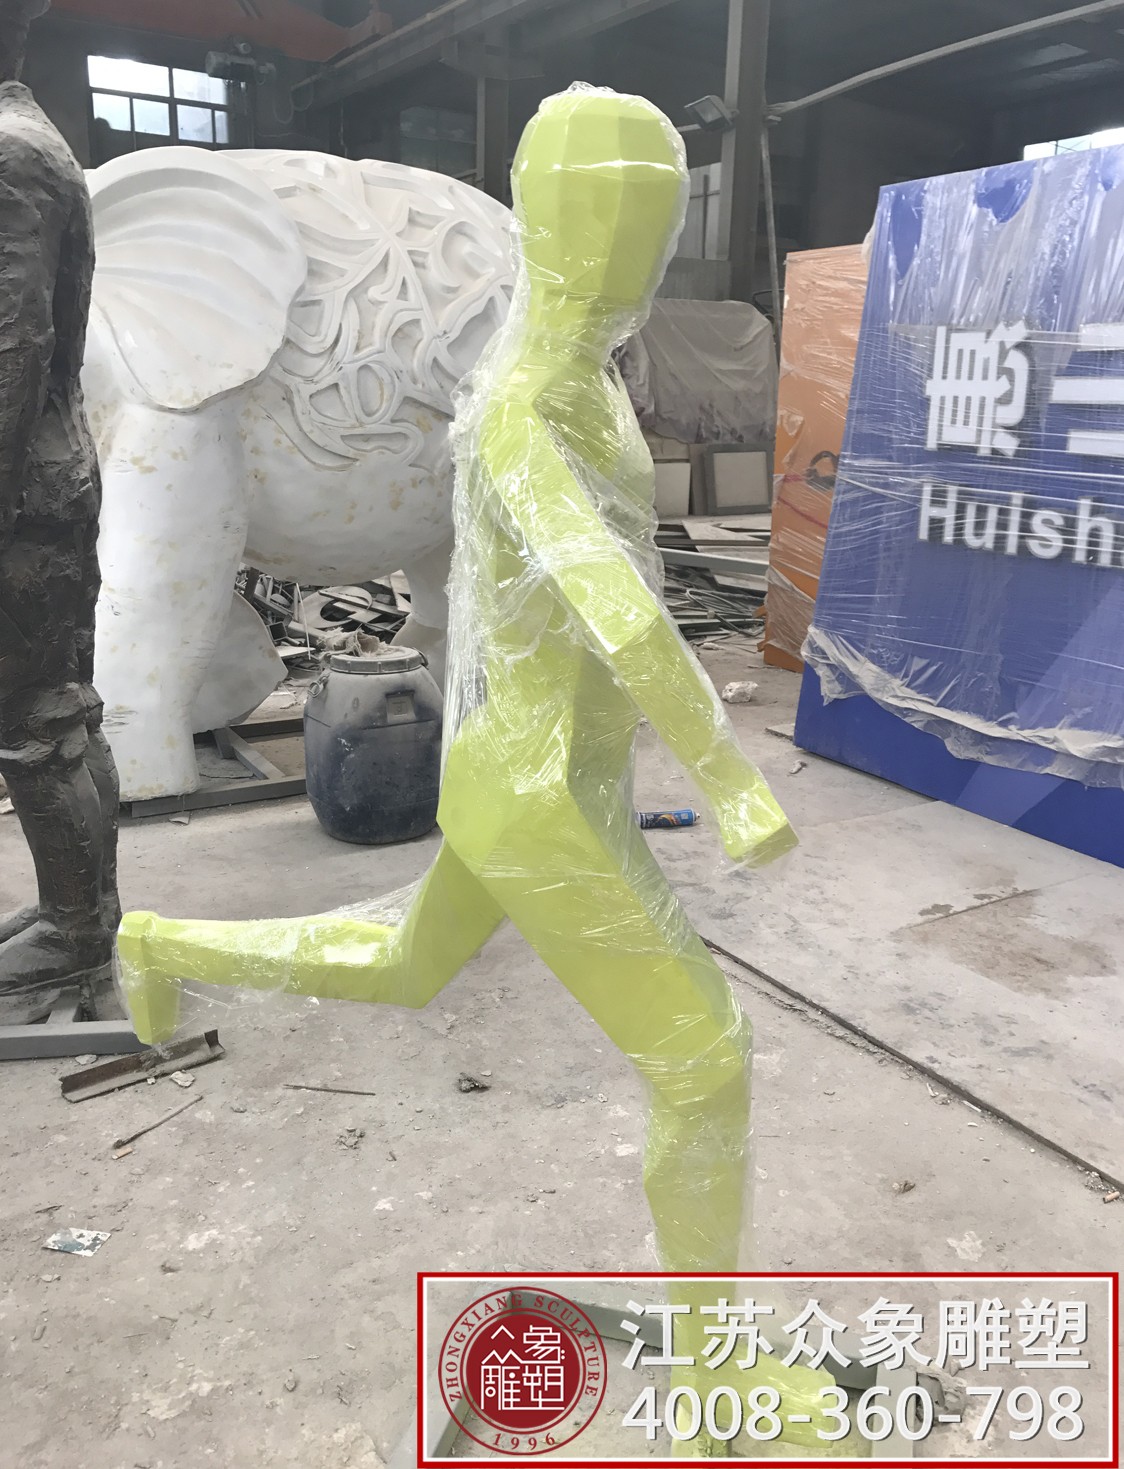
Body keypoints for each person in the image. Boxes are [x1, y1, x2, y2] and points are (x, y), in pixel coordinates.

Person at [119, 86, 834, 1451]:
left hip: (552, 777)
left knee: (402, 963)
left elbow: (617, 592)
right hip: (531, 794)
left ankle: (157, 938)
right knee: (704, 1061)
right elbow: (616, 604)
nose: (626, 246)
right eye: (599, 211)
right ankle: (717, 1397)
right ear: (542, 216)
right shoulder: (516, 408)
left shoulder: (589, 389)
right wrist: (728, 773)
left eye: (651, 214)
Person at [0, 0, 119, 995]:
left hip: (21, 491)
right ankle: (80, 910)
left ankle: (75, 930)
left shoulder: (7, 153)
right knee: (67, 712)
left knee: (32, 723)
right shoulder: (39, 139)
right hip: (53, 473)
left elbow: (14, 347)